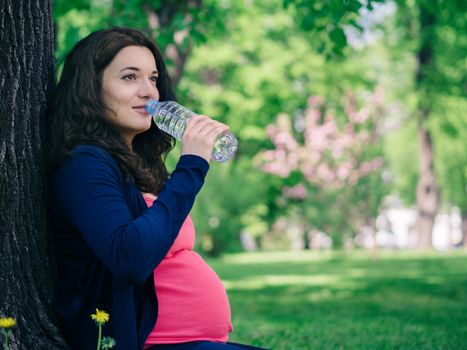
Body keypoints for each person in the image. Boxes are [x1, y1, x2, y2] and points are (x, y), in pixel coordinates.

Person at [46, 27, 267, 350]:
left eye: (152, 79)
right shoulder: (83, 163)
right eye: (129, 77)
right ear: (90, 88)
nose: (149, 91)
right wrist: (192, 166)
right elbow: (130, 258)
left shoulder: (135, 165)